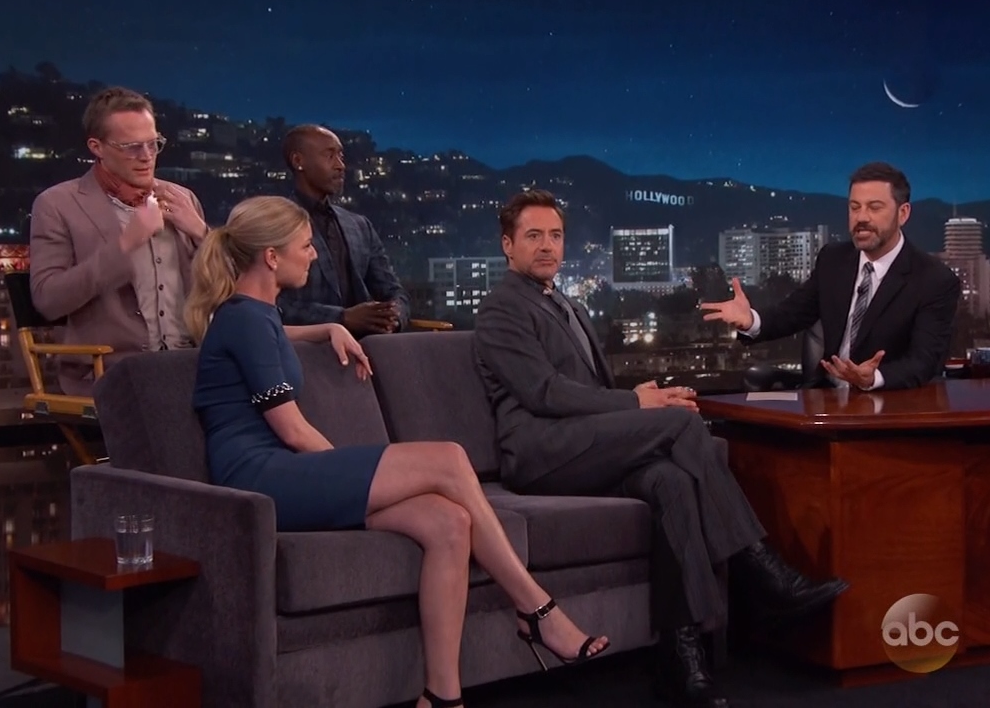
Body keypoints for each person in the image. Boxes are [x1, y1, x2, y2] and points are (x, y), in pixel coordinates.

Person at [184, 195, 609, 708]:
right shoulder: (245, 320)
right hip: (259, 479)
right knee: (449, 460)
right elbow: (293, 431)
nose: (313, 255)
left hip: (280, 470)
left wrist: (331, 326)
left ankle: (442, 695)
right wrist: (346, 472)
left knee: (449, 522)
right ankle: (536, 608)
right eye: (305, 246)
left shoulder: (255, 314)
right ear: (272, 257)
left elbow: (273, 336)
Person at [473, 189, 848, 708]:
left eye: (555, 235)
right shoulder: (502, 308)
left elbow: (585, 390)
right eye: (533, 236)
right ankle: (762, 573)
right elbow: (544, 393)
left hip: (583, 445)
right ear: (507, 245)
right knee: (679, 425)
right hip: (539, 452)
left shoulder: (567, 304)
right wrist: (636, 403)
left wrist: (635, 399)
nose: (546, 246)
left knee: (670, 481)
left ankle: (680, 659)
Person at [701, 162, 961, 391]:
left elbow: (924, 361)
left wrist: (873, 378)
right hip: (825, 397)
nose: (861, 218)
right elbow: (792, 313)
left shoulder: (933, 280)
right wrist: (751, 321)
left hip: (887, 403)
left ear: (902, 213)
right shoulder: (834, 260)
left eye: (874, 208)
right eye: (854, 207)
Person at [28, 86, 210, 395]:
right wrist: (126, 243)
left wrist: (202, 232)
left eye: (153, 144)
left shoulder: (182, 199)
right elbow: (49, 300)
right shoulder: (57, 205)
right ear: (97, 147)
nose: (147, 157)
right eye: (132, 147)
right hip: (112, 372)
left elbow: (231, 285)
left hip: (191, 365)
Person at [275, 124, 411, 338]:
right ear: (298, 161)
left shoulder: (359, 226)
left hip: (366, 348)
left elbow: (394, 291)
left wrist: (391, 318)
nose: (340, 166)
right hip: (303, 349)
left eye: (341, 156)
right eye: (329, 156)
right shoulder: (275, 223)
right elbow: (269, 304)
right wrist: (341, 318)